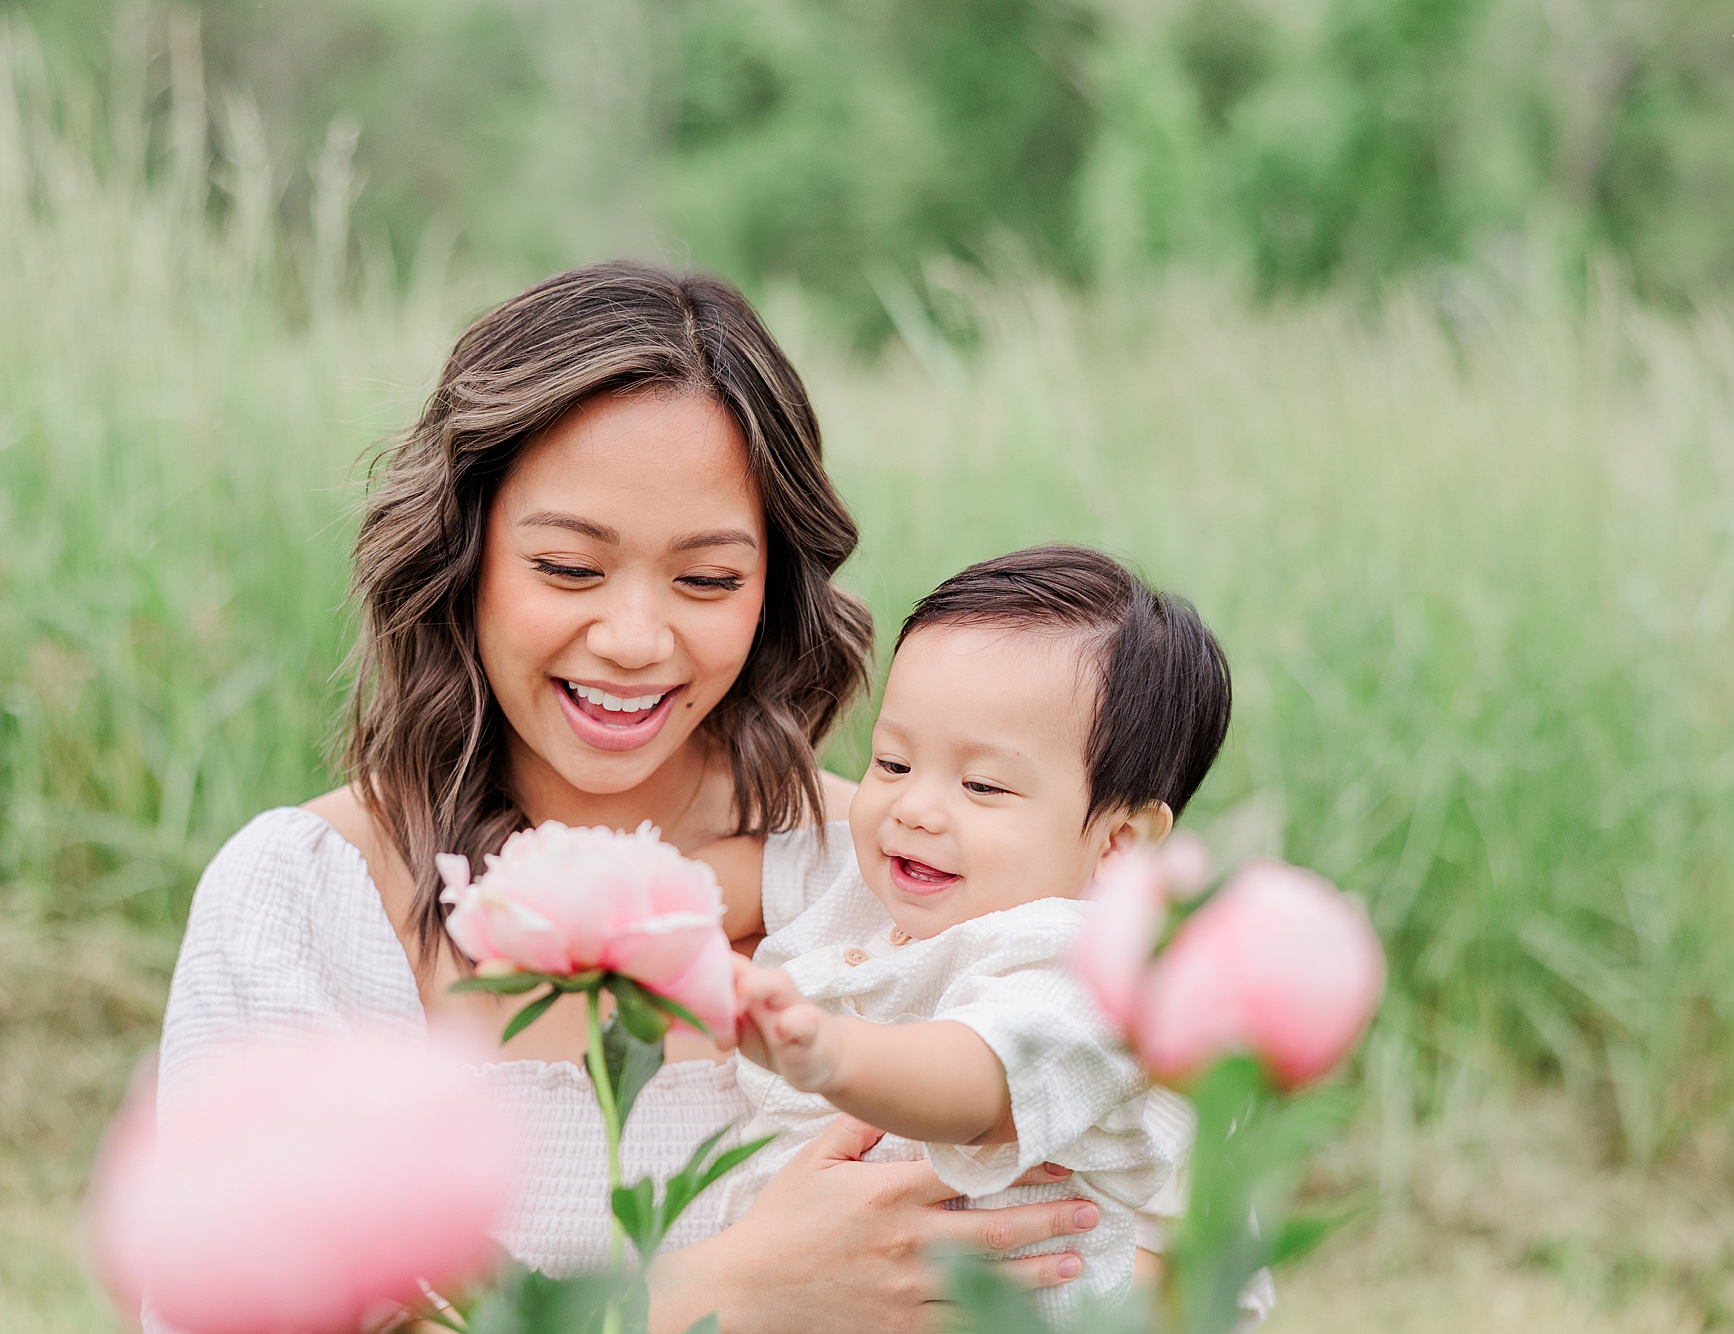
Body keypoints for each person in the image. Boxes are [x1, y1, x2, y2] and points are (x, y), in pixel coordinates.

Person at [154, 261, 1106, 1334]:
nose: (635, 640)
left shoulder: (907, 872)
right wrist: (720, 1297)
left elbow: (1137, 1236)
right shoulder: (306, 899)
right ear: (460, 555)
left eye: (706, 581)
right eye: (567, 566)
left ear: (772, 590)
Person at [714, 546, 1232, 1324]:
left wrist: (832, 1051)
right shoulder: (872, 876)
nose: (914, 808)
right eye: (892, 762)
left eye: (982, 785)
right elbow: (720, 884)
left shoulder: (1084, 971)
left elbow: (977, 1082)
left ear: (1119, 845)